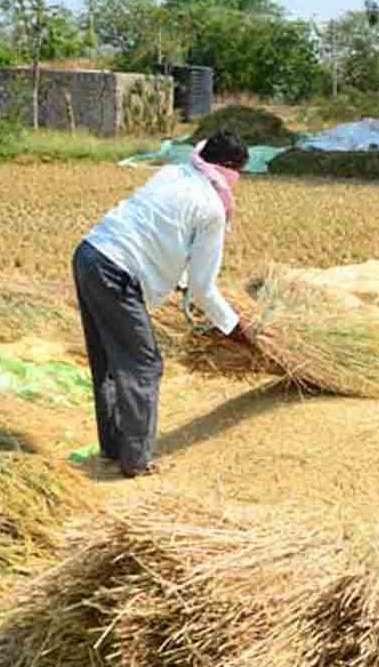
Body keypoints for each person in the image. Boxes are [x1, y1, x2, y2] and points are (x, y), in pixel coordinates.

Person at [71, 130, 255, 478]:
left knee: (109, 359)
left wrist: (178, 281)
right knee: (144, 364)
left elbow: (162, 234)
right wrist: (235, 327)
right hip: (116, 272)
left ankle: (115, 447)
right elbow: (204, 288)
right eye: (239, 172)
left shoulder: (174, 172)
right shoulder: (213, 208)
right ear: (229, 168)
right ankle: (136, 461)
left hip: (89, 254)